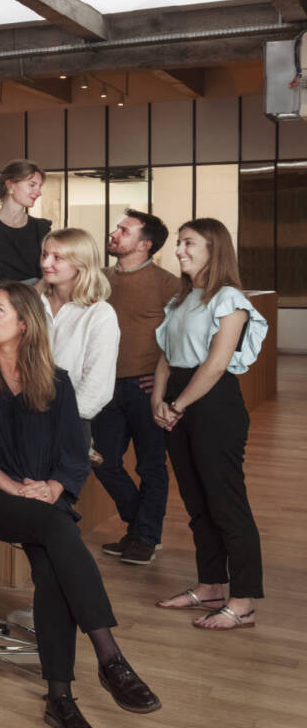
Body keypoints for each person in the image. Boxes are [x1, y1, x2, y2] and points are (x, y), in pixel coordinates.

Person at [0, 282, 160, 728]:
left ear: (24, 322)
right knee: (57, 529)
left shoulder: (54, 380)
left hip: (39, 498)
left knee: (53, 564)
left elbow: (74, 452)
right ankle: (110, 657)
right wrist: (15, 486)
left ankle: (61, 699)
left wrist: (55, 486)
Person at [153, 218, 269, 631]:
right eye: (180, 243)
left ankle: (243, 601)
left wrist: (178, 404)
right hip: (179, 397)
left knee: (226, 502)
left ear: (213, 248)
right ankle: (211, 585)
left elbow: (217, 363)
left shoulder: (230, 299)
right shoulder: (182, 299)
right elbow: (167, 356)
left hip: (213, 402)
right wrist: (158, 399)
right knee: (196, 502)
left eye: (188, 243)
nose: (179, 250)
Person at [93, 211, 187, 565]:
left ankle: (144, 537)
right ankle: (142, 528)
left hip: (147, 388)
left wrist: (167, 377)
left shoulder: (168, 284)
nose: (114, 233)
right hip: (104, 387)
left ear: (145, 245)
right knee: (102, 461)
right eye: (117, 227)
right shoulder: (99, 279)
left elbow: (183, 336)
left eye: (124, 230)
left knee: (151, 466)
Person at [38, 228, 120, 426]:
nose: (45, 263)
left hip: (71, 420)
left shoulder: (99, 313)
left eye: (57, 257)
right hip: (26, 416)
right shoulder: (34, 304)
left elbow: (97, 383)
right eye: (45, 255)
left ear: (81, 263)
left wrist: (66, 420)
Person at [0, 159, 50, 283]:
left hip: (34, 298)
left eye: (40, 186)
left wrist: (31, 296)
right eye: (32, 185)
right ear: (10, 185)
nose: (39, 192)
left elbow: (49, 273)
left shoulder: (42, 227)